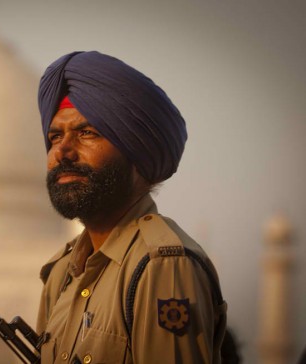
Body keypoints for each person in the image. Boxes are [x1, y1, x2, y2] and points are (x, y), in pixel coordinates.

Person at [35, 51, 227, 364]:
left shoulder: (160, 266)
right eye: (55, 136)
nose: (63, 151)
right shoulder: (61, 273)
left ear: (134, 152)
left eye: (87, 133)